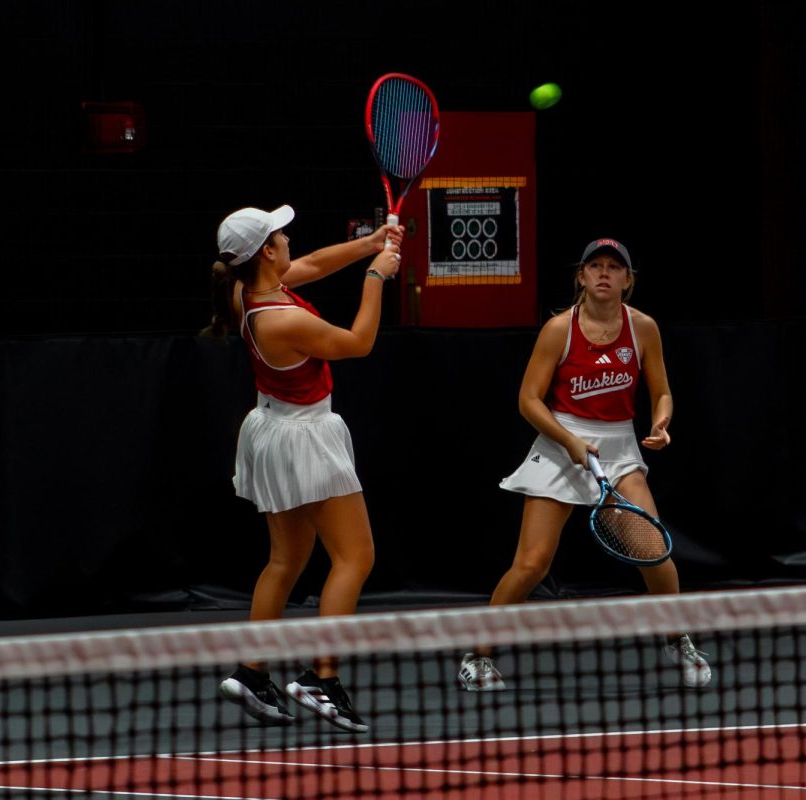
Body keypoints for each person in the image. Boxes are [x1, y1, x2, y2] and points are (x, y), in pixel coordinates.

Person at [457, 237, 711, 692]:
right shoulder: (559, 329)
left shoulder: (644, 329)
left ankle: (679, 639)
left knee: (654, 551)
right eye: (595, 266)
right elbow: (527, 400)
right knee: (532, 563)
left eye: (615, 267)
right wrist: (570, 440)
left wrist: (662, 421)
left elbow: (662, 391)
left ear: (627, 281)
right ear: (582, 276)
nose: (604, 273)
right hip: (561, 443)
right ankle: (478, 654)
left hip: (618, 450)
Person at [206, 204, 402, 730]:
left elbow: (312, 265)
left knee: (286, 560)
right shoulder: (284, 319)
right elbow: (358, 343)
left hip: (270, 429)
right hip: (304, 436)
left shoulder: (246, 287)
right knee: (356, 556)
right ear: (266, 251)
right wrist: (377, 276)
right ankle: (323, 679)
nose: (288, 237)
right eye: (279, 233)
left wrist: (370, 242)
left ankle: (251, 672)